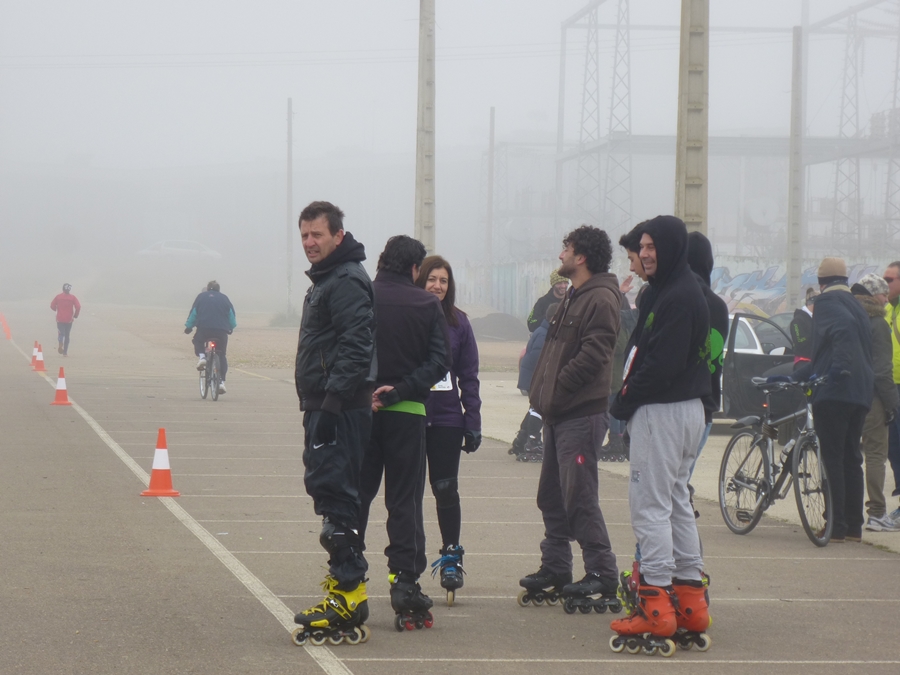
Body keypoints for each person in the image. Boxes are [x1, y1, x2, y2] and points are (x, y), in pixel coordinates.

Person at [608, 216, 711, 650]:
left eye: (651, 247)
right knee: (675, 503)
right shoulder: (674, 290)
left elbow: (659, 364)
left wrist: (624, 400)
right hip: (686, 409)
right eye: (642, 247)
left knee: (650, 505)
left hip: (663, 412)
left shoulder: (677, 295)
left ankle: (655, 605)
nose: (645, 254)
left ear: (671, 249)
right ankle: (690, 600)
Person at [519, 225, 622, 613]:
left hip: (580, 415)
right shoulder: (573, 296)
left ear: (581, 257)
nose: (560, 253)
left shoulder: (600, 298)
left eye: (566, 248)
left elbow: (596, 355)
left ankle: (602, 572)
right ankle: (557, 568)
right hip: (558, 415)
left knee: (579, 496)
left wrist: (558, 388)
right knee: (552, 496)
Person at [291, 201, 376, 644]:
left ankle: (347, 595)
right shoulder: (328, 279)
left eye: (317, 235)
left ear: (338, 236)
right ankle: (347, 588)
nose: (309, 243)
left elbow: (356, 346)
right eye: (304, 235)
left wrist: (332, 404)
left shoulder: (344, 280)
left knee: (337, 500)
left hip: (338, 409)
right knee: (330, 494)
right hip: (327, 405)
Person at [358, 235, 451, 628]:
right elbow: (439, 363)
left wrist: (367, 392)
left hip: (361, 412)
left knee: (355, 497)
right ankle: (404, 585)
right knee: (404, 502)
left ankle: (348, 578)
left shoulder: (361, 296)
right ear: (415, 269)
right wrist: (400, 391)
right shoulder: (427, 304)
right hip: (408, 412)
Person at [415, 255, 482, 601]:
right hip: (409, 415)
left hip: (446, 419)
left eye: (443, 281)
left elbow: (469, 376)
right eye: (431, 279)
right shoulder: (407, 317)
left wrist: (472, 420)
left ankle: (451, 555)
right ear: (420, 281)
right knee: (408, 493)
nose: (437, 286)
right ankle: (409, 561)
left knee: (445, 488)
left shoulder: (460, 324)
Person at [793, 257, 873, 544]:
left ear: (820, 282)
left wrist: (838, 371)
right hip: (861, 391)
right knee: (852, 458)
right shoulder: (856, 303)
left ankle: (835, 527)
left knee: (832, 459)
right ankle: (854, 526)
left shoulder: (826, 303)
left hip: (835, 390)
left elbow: (841, 333)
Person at [851, 274, 900, 532]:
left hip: (850, 396)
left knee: (849, 456)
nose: (885, 298)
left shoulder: (850, 318)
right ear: (873, 296)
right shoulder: (878, 322)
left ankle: (844, 512)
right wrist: (893, 404)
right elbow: (882, 371)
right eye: (882, 294)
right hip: (873, 398)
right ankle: (877, 513)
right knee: (875, 456)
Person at [686, 231, 729, 473]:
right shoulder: (719, 306)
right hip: (708, 405)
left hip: (681, 405)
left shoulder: (682, 297)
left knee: (668, 489)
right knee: (681, 484)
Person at [509, 302, 558, 461]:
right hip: (535, 377)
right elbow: (539, 357)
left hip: (534, 376)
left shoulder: (545, 331)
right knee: (538, 408)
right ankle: (533, 441)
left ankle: (522, 440)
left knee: (534, 409)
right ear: (554, 319)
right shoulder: (544, 334)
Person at [183, 281, 236, 395]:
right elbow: (231, 316)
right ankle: (221, 382)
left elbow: (194, 314)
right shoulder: (225, 298)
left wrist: (188, 327)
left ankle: (202, 357)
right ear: (219, 289)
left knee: (197, 340)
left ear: (207, 289)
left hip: (204, 329)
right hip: (221, 331)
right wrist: (231, 327)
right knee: (221, 354)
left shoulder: (201, 297)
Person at [882, 261, 900, 524]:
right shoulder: (886, 309)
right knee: (893, 448)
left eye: (890, 279)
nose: (885, 284)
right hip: (889, 387)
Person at [790, 287, 818, 369]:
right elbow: (799, 341)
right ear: (811, 304)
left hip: (815, 361)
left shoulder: (815, 318)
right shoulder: (798, 320)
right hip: (803, 362)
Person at [50, 283, 81, 356]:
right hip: (69, 319)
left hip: (60, 318)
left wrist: (57, 310)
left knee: (61, 333)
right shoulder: (73, 298)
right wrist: (75, 315)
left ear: (63, 289)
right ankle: (65, 352)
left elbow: (52, 305)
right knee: (67, 335)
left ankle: (60, 342)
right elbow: (78, 306)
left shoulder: (58, 297)